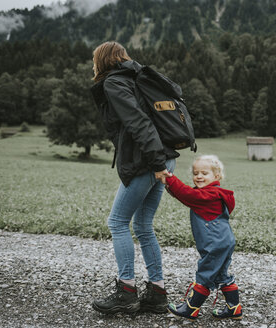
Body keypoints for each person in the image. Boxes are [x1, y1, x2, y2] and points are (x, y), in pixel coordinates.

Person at [90, 41, 178, 315]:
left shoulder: (115, 83)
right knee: (142, 224)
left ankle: (126, 292)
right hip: (164, 158)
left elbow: (139, 122)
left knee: (117, 222)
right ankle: (157, 293)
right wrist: (162, 162)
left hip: (149, 161)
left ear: (101, 61)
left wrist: (156, 163)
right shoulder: (138, 76)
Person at [163, 155, 243, 320]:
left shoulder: (208, 195)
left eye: (204, 173)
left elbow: (187, 195)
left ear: (216, 176)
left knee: (206, 273)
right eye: (195, 173)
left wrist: (169, 179)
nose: (199, 176)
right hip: (225, 240)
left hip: (215, 243)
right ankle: (234, 308)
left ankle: (191, 308)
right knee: (221, 274)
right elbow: (187, 195)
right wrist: (168, 185)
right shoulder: (217, 193)